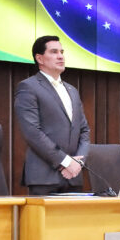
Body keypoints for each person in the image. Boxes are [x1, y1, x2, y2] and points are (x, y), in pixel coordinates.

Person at [14, 35, 91, 195]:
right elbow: (32, 132)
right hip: (44, 176)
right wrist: (65, 162)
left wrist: (78, 163)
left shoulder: (72, 90)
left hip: (73, 175)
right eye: (54, 52)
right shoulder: (28, 87)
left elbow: (84, 131)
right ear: (39, 58)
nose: (60, 56)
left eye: (62, 52)